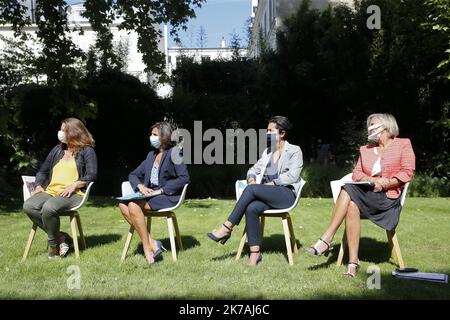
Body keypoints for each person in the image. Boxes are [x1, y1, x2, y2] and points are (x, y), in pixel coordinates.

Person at [307, 113, 415, 277]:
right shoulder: (366, 150)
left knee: (348, 189)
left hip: (387, 199)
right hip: (367, 194)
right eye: (369, 125)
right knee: (351, 204)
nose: (369, 128)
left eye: (373, 124)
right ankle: (353, 262)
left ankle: (326, 239)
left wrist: (385, 182)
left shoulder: (403, 144)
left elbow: (407, 172)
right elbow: (357, 173)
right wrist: (372, 180)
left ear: (386, 126)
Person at [207, 116, 303, 266]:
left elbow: (293, 176)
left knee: (252, 190)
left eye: (270, 131)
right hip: (268, 195)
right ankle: (255, 253)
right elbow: (253, 169)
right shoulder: (267, 152)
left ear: (282, 133)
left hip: (286, 194)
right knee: (251, 208)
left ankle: (227, 228)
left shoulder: (294, 150)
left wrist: (272, 183)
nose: (267, 133)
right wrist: (251, 177)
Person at [23, 118, 97, 259]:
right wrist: (39, 185)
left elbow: (92, 175)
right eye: (61, 130)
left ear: (74, 132)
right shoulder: (57, 150)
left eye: (64, 130)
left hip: (74, 193)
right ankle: (61, 237)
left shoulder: (87, 151)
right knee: (29, 206)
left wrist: (74, 185)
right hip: (51, 191)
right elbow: (43, 171)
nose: (60, 133)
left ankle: (53, 245)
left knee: (49, 208)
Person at [118, 121, 190, 267]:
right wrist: (140, 186)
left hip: (168, 196)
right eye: (152, 134)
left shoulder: (175, 152)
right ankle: (152, 243)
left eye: (155, 135)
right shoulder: (151, 155)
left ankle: (147, 249)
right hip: (149, 195)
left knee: (132, 205)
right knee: (122, 204)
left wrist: (162, 190)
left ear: (164, 137)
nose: (151, 137)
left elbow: (184, 177)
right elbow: (133, 174)